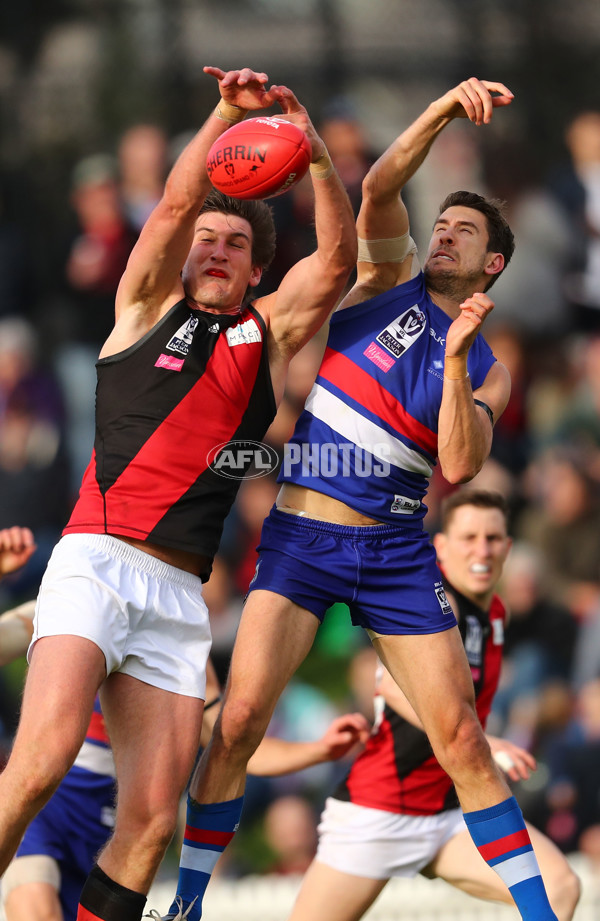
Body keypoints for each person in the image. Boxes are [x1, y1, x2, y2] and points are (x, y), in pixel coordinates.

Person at [164, 78, 560, 921]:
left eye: (464, 233)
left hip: (394, 551)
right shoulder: (387, 279)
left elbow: (458, 459)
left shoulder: (488, 365)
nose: (444, 236)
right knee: (236, 723)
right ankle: (188, 903)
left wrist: (454, 362)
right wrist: (443, 111)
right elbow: (379, 188)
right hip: (302, 536)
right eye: (442, 225)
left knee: (460, 739)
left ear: (493, 263)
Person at [0, 64, 356, 921]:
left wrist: (311, 153)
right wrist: (224, 114)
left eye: (235, 243)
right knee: (42, 759)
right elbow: (169, 205)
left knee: (154, 820)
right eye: (207, 237)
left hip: (177, 592)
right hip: (93, 559)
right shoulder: (142, 307)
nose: (215, 248)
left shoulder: (263, 336)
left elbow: (339, 261)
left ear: (255, 267)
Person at [285, 490, 581, 921]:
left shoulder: (496, 613)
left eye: (493, 538)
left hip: (450, 816)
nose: (482, 550)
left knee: (559, 890)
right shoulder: (429, 604)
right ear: (441, 546)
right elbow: (390, 688)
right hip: (380, 810)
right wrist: (485, 741)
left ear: (508, 547)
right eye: (469, 538)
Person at [1, 657, 367, 921]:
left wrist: (316, 750)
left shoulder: (180, 627)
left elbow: (231, 743)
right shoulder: (85, 587)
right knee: (37, 908)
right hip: (47, 815)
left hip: (122, 831)